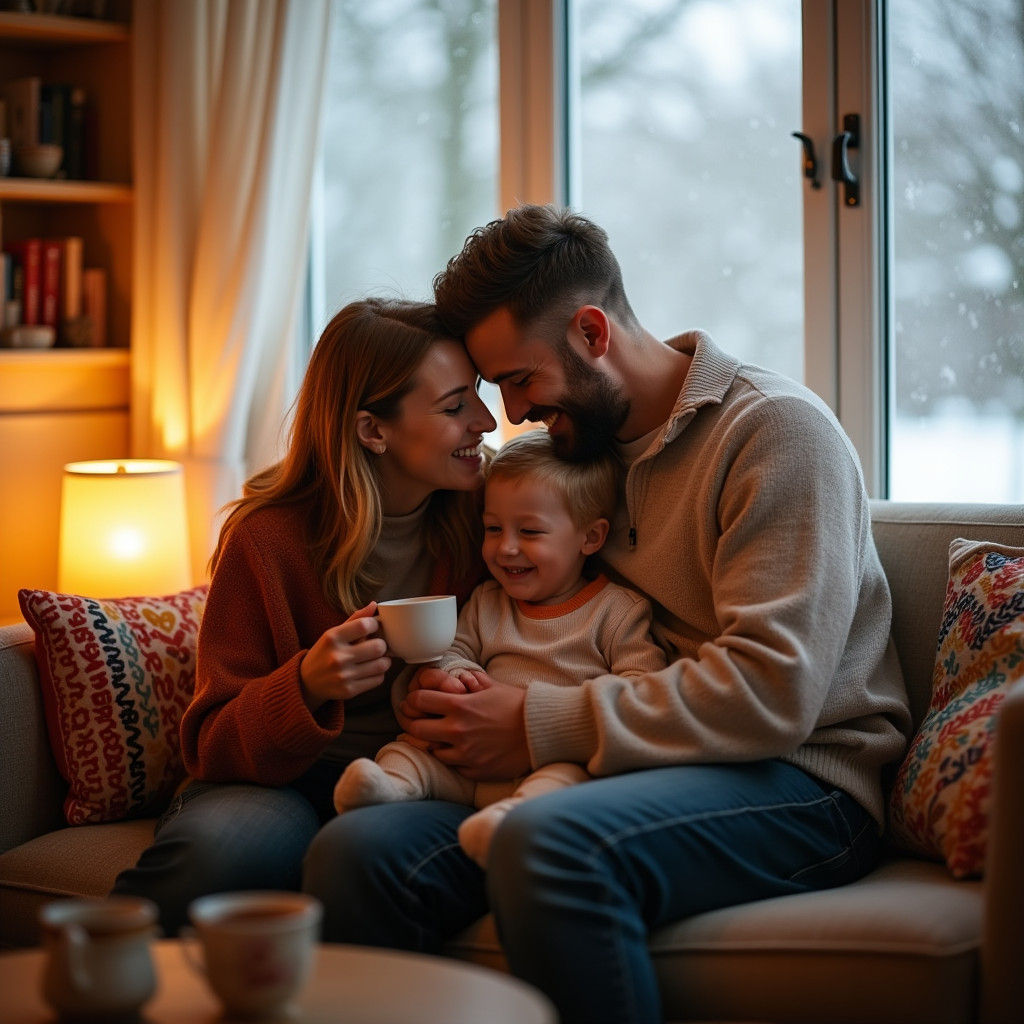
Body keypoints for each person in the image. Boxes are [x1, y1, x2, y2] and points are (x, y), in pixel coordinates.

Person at [308, 205, 913, 1024]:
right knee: (354, 854)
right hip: (625, 769)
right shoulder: (578, 454)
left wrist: (533, 722)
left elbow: (772, 691)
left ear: (592, 332)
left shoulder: (775, 435)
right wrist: (450, 695)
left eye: (520, 380)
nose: (513, 414)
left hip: (799, 780)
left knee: (548, 844)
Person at [110, 298, 497, 935]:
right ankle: (101, 980)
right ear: (373, 430)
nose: (485, 420)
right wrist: (306, 685)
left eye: (476, 395)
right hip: (283, 781)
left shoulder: (490, 523)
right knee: (217, 852)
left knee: (362, 858)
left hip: (416, 779)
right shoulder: (268, 540)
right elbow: (211, 742)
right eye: (455, 406)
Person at [332, 428, 667, 866]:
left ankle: (511, 820)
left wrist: (555, 717)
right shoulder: (488, 601)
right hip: (465, 765)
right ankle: (389, 786)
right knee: (410, 750)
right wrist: (453, 676)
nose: (506, 548)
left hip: (552, 761)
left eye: (529, 531)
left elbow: (642, 687)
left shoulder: (617, 612)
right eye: (493, 528)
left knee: (567, 778)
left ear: (591, 537)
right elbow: (453, 650)